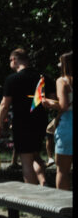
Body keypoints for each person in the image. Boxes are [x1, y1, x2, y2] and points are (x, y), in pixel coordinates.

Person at [0, 48, 49, 186]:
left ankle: (33, 196)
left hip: (22, 124)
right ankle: (43, 183)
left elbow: (4, 105)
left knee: (26, 161)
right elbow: (52, 100)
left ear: (14, 60)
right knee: (36, 156)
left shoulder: (12, 79)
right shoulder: (43, 78)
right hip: (40, 122)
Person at [41, 51, 72, 190]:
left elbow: (64, 106)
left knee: (62, 172)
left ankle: (63, 209)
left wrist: (48, 102)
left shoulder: (63, 81)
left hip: (68, 126)